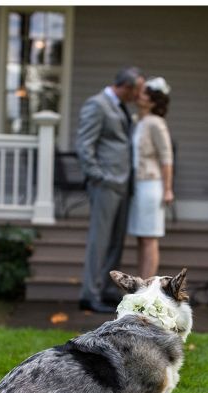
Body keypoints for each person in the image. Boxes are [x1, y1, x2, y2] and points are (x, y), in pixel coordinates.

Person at [76, 67, 145, 313]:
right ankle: (89, 294)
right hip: (106, 184)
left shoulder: (122, 107)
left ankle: (106, 289)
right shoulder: (97, 104)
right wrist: (99, 176)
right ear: (126, 87)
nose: (139, 96)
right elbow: (85, 145)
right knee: (100, 241)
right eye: (137, 90)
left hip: (123, 184)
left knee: (116, 242)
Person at [128, 77, 174, 278]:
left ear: (153, 101)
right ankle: (141, 284)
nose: (141, 95)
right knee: (141, 237)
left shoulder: (156, 123)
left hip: (151, 185)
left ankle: (147, 289)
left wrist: (167, 188)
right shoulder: (139, 121)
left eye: (146, 94)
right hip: (137, 185)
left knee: (149, 238)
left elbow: (166, 157)